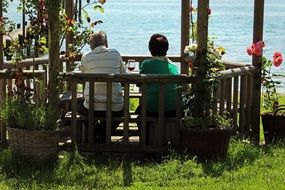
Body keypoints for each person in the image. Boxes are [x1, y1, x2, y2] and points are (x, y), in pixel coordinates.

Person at [79, 31, 126, 142]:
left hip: (92, 107)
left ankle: (94, 135)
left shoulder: (86, 57)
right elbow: (124, 76)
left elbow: (82, 76)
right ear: (106, 42)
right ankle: (102, 135)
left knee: (79, 109)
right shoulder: (115, 54)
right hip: (114, 106)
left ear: (91, 44)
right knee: (121, 111)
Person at [136, 33, 180, 117]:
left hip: (151, 109)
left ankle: (146, 130)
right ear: (167, 49)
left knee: (138, 113)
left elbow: (139, 83)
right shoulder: (173, 67)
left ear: (150, 48)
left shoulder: (147, 64)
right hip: (172, 109)